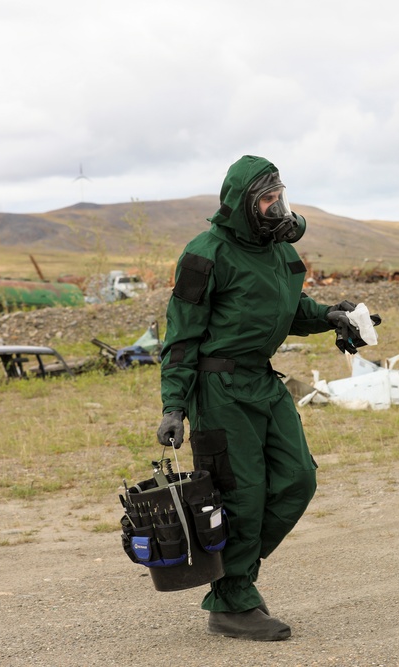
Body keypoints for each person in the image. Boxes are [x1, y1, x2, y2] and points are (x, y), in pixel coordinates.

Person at [156, 155, 374, 641]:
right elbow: (180, 337)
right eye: (267, 200)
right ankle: (232, 601)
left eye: (280, 196)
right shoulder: (204, 253)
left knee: (298, 479)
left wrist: (333, 317)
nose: (278, 208)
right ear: (243, 205)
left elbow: (291, 308)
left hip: (263, 383)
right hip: (219, 392)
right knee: (243, 495)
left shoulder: (278, 251)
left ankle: (234, 582)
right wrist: (174, 405)